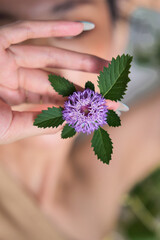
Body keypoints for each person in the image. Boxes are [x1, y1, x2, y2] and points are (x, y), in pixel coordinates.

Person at [0, 0, 160, 239]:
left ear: (119, 37)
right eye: (12, 41)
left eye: (74, 32)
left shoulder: (96, 184)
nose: (46, 64)